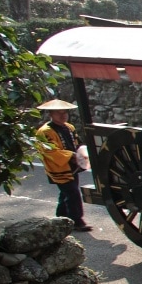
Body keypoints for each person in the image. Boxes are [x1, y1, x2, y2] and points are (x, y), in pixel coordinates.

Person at [35, 99, 93, 233]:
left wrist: (80, 153)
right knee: (72, 193)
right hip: (58, 167)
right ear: (51, 114)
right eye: (58, 113)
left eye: (65, 112)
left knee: (66, 193)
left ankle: (60, 218)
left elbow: (77, 143)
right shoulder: (45, 132)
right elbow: (50, 151)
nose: (63, 115)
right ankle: (77, 221)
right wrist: (71, 156)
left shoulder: (69, 127)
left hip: (72, 166)